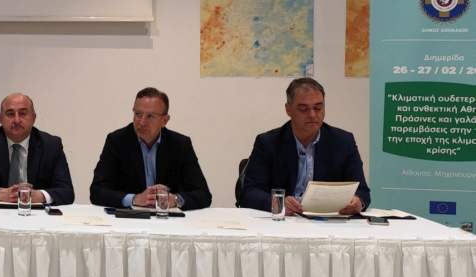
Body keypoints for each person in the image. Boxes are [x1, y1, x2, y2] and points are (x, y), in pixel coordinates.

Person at [239, 77, 370, 214]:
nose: (312, 115)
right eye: (303, 109)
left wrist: (357, 202)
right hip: (284, 221)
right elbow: (248, 193)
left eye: (318, 108)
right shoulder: (268, 143)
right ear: (288, 110)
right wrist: (278, 203)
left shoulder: (343, 142)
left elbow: (362, 191)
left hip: (327, 221)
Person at [89, 87, 212, 210]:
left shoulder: (180, 144)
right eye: (138, 114)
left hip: (168, 218)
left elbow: (203, 195)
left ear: (164, 120)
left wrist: (175, 200)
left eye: (150, 116)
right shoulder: (117, 141)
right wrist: (134, 199)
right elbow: (97, 191)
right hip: (129, 218)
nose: (142, 122)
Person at [0, 93, 74, 205]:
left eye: (23, 113)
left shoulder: (51, 145)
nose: (16, 120)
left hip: (36, 213)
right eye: (10, 114)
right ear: (0, 119)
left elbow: (67, 192)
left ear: (34, 118)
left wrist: (40, 196)